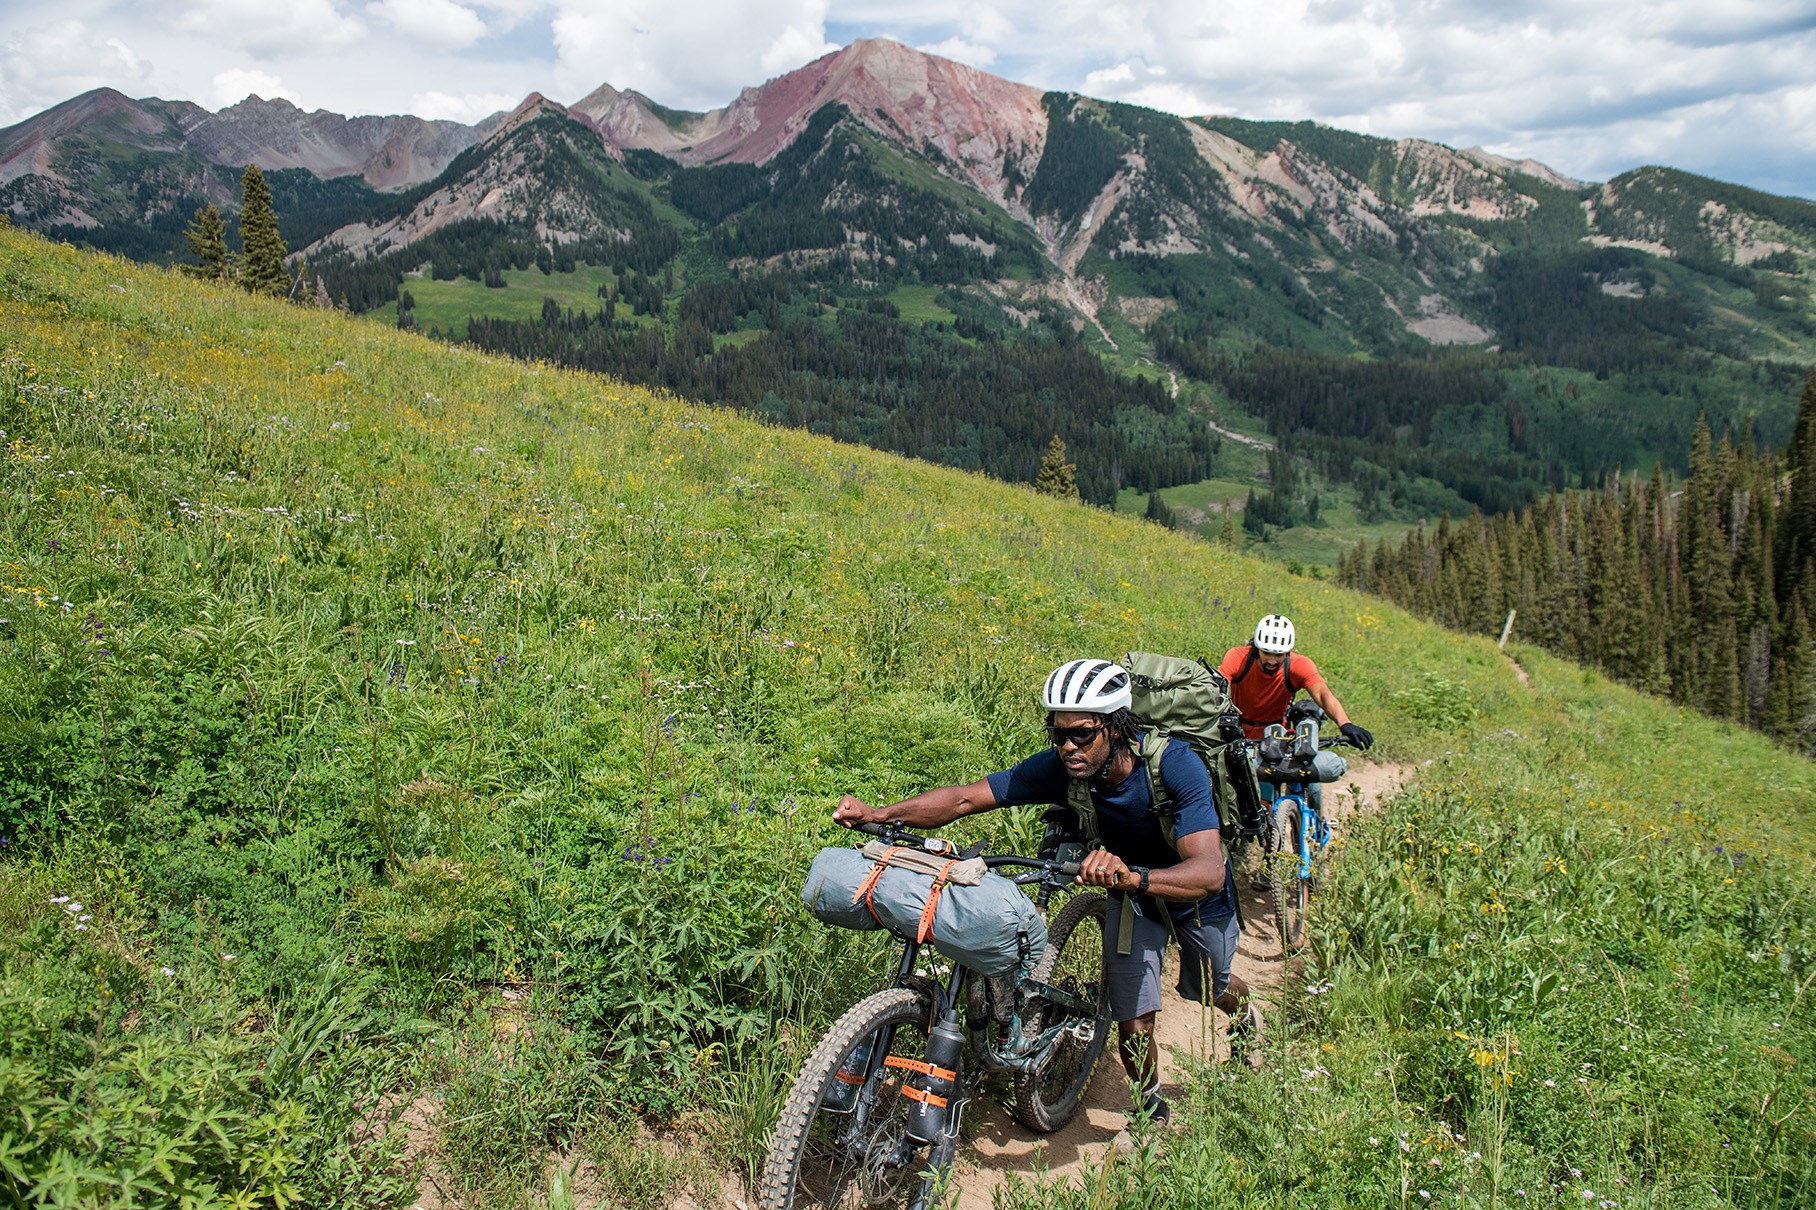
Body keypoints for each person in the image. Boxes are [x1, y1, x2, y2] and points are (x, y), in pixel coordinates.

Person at [833, 658, 1261, 1121]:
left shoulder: (1177, 766)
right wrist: (880, 813)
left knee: (1209, 987)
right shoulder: (1064, 768)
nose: (1068, 746)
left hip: (1192, 898)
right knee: (1133, 1028)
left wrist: (1133, 876)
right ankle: (1151, 1109)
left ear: (1115, 728)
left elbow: (1208, 871)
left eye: (1082, 734)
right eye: (1059, 734)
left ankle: (1245, 1017)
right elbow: (965, 798)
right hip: (1131, 898)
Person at [1218, 614, 1373, 858]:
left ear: (1288, 652)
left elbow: (1321, 693)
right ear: (1256, 647)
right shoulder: (1238, 658)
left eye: (1278, 655)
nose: (1271, 660)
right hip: (1241, 733)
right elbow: (1217, 686)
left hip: (1276, 735)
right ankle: (1266, 856)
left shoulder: (1298, 665)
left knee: (1309, 782)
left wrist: (1345, 723)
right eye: (1266, 653)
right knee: (1257, 803)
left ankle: (1313, 828)